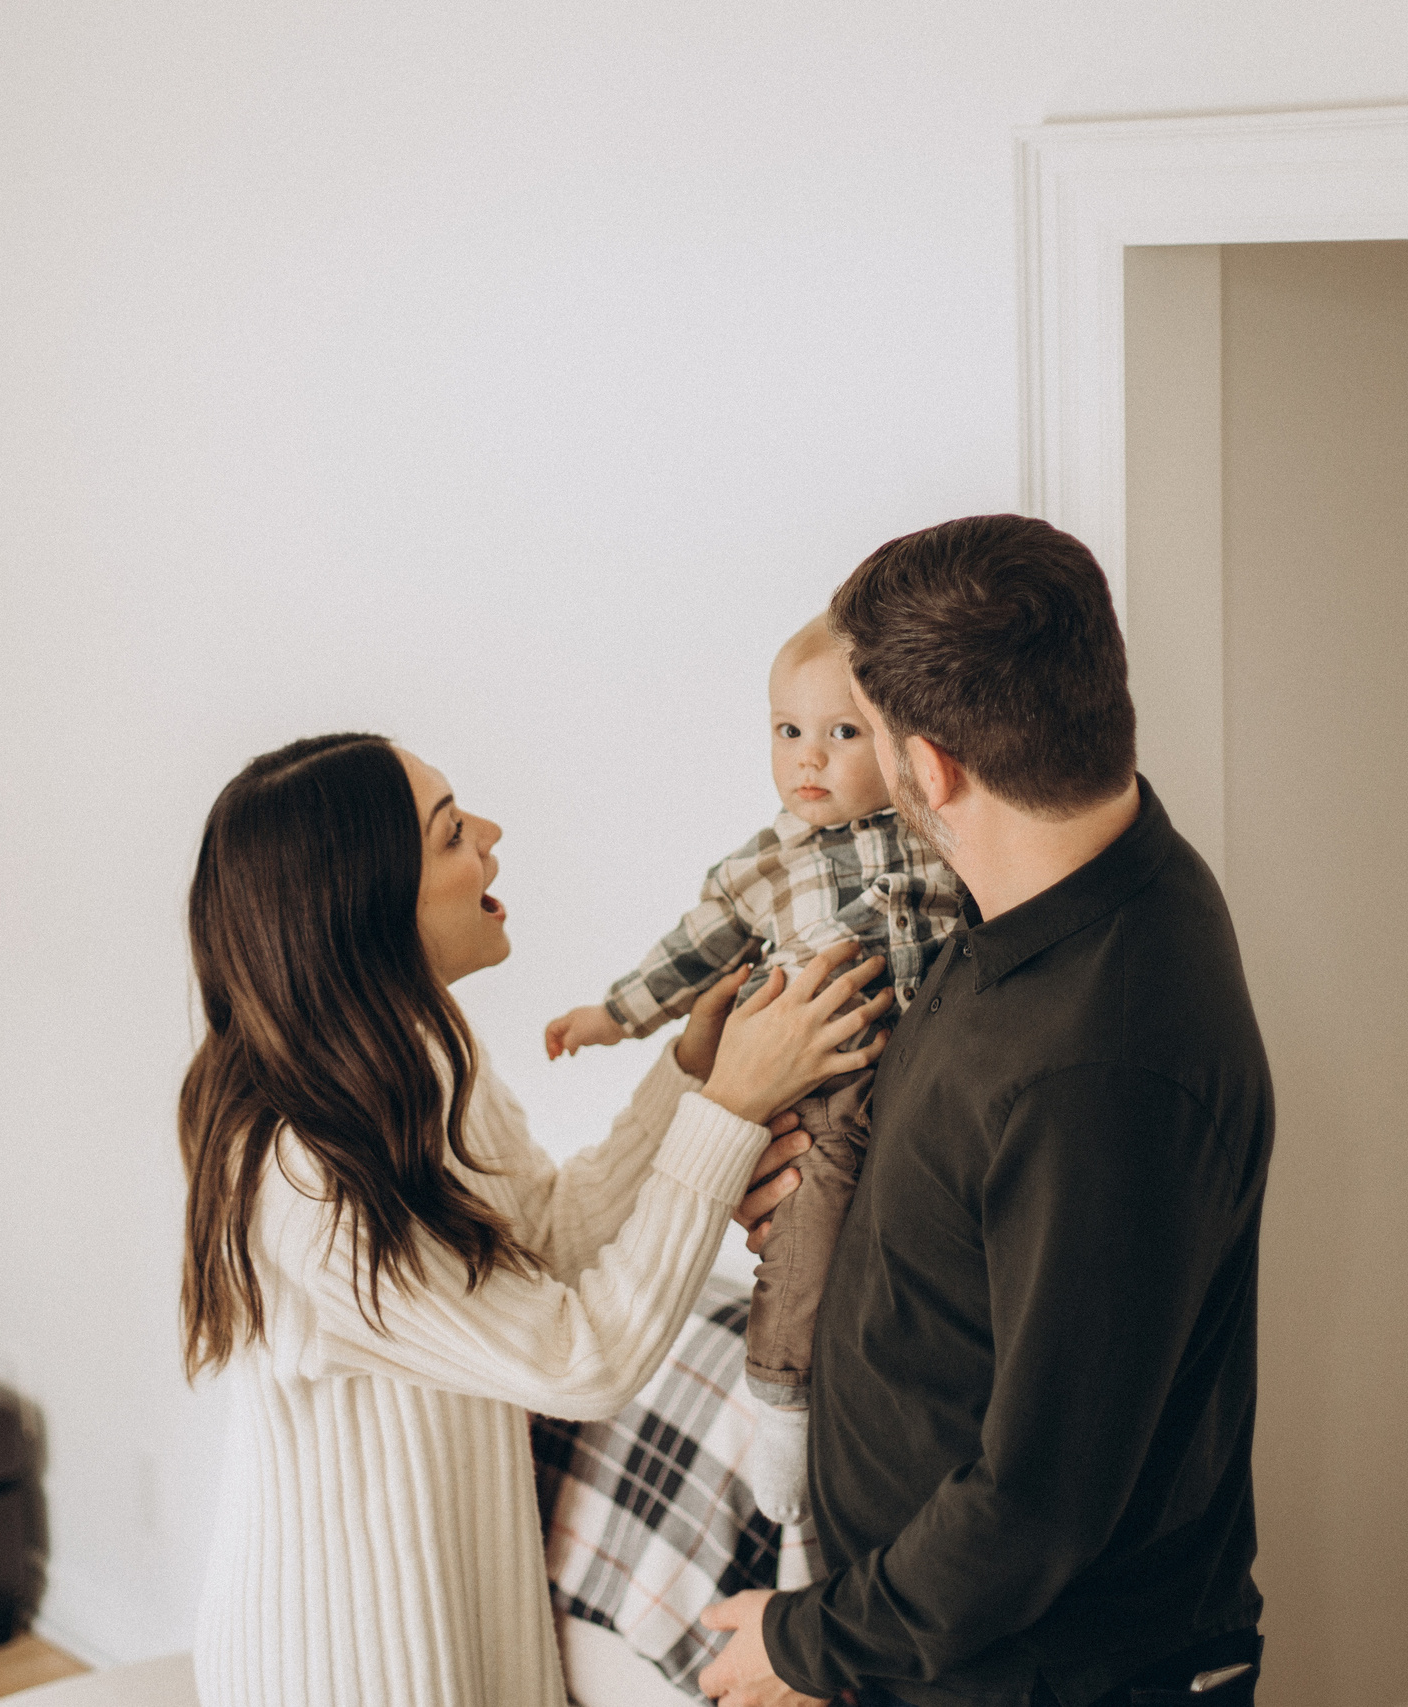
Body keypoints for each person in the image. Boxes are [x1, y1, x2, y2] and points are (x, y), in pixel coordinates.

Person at [180, 732, 893, 1707]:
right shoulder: (305, 1178)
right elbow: (580, 1361)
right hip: (350, 1673)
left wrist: (690, 1072)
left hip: (470, 1636)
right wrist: (729, 1108)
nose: (491, 834)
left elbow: (547, 1241)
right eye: (449, 833)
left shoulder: (418, 1063)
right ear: (368, 905)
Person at [698, 516, 1276, 1707]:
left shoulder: (1095, 1071)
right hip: (950, 1646)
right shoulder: (1064, 887)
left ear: (933, 768)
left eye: (864, 733)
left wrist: (806, 1644)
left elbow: (1037, 1500)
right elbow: (982, 1201)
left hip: (1034, 1676)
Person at [543, 614, 962, 1522]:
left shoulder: (938, 829)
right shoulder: (767, 863)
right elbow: (691, 952)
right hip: (825, 1076)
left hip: (929, 1064)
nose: (809, 757)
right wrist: (611, 1016)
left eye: (843, 732)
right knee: (805, 1220)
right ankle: (782, 1397)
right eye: (788, 730)